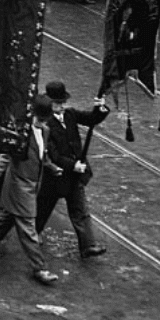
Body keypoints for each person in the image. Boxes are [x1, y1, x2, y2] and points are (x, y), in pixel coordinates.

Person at [0, 94, 61, 286]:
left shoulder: (45, 131)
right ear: (32, 115)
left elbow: (42, 155)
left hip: (32, 184)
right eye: (39, 119)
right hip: (19, 185)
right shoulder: (19, 135)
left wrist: (52, 167)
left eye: (45, 120)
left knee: (9, 215)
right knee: (27, 226)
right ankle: (39, 268)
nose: (41, 123)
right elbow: (4, 158)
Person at [35, 81, 109, 259]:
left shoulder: (70, 115)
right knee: (44, 207)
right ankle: (34, 232)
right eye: (56, 103)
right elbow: (52, 154)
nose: (61, 106)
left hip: (75, 175)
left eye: (62, 102)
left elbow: (91, 119)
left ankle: (87, 245)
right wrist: (72, 165)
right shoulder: (46, 125)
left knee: (80, 210)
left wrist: (100, 108)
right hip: (56, 175)